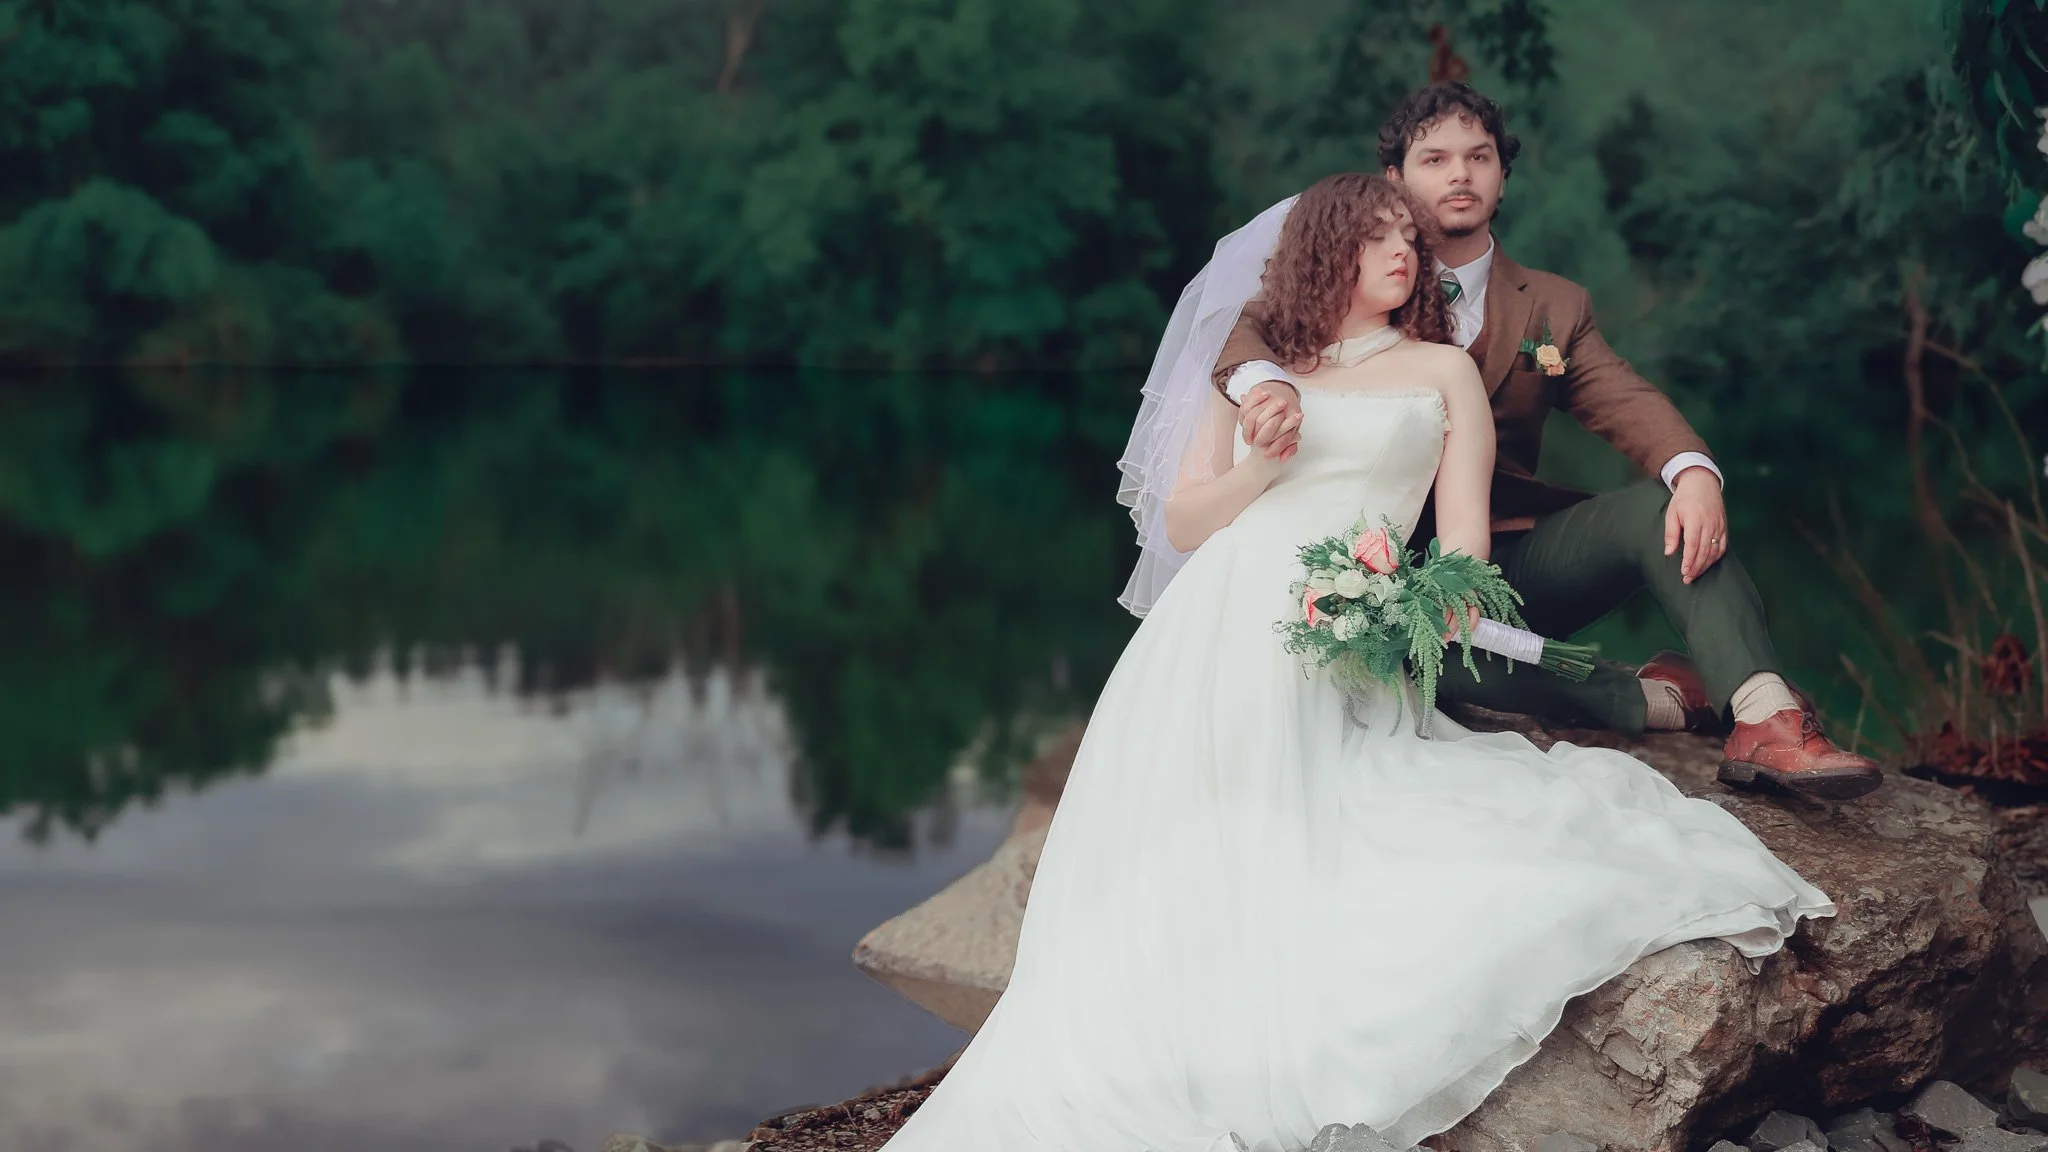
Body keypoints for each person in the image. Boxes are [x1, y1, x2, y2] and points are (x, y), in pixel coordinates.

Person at [873, 172, 1833, 1152]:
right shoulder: (1253, 373)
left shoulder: (1440, 371)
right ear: (1325, 249)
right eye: (1376, 236)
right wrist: (1260, 463)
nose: (1401, 251)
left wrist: (1400, 601)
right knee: (1189, 843)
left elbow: (1461, 549)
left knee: (1371, 829)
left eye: (1407, 240)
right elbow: (1182, 523)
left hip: (1351, 614)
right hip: (1215, 618)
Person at [1214, 82, 1881, 802]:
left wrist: (1695, 472)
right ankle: (1652, 695)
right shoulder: (1348, 282)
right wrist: (1262, 384)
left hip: (1511, 562)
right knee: (1413, 660)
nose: (1461, 174)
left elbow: (1622, 395)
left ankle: (1765, 720)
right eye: (1435, 159)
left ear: (1503, 174)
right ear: (1396, 180)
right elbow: (1248, 322)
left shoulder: (1555, 307)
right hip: (1377, 588)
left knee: (1664, 506)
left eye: (1480, 157)